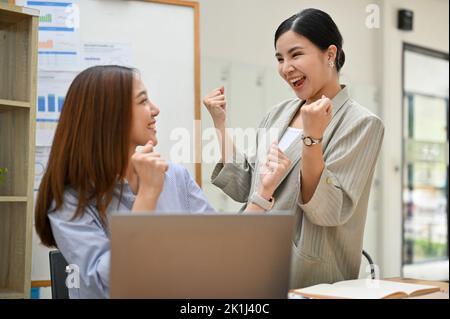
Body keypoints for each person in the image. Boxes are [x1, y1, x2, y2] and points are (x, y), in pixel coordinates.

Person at [203, 8, 385, 288]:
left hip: (310, 278)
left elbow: (327, 210)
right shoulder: (278, 113)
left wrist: (312, 139)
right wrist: (220, 124)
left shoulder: (362, 124)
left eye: (296, 54)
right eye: (279, 58)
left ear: (330, 54)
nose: (286, 67)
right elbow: (245, 187)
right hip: (254, 263)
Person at [35, 65, 214, 298]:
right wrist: (148, 196)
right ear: (110, 115)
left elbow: (214, 250)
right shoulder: (69, 201)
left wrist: (261, 196)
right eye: (143, 101)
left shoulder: (175, 177)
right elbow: (105, 288)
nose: (155, 110)